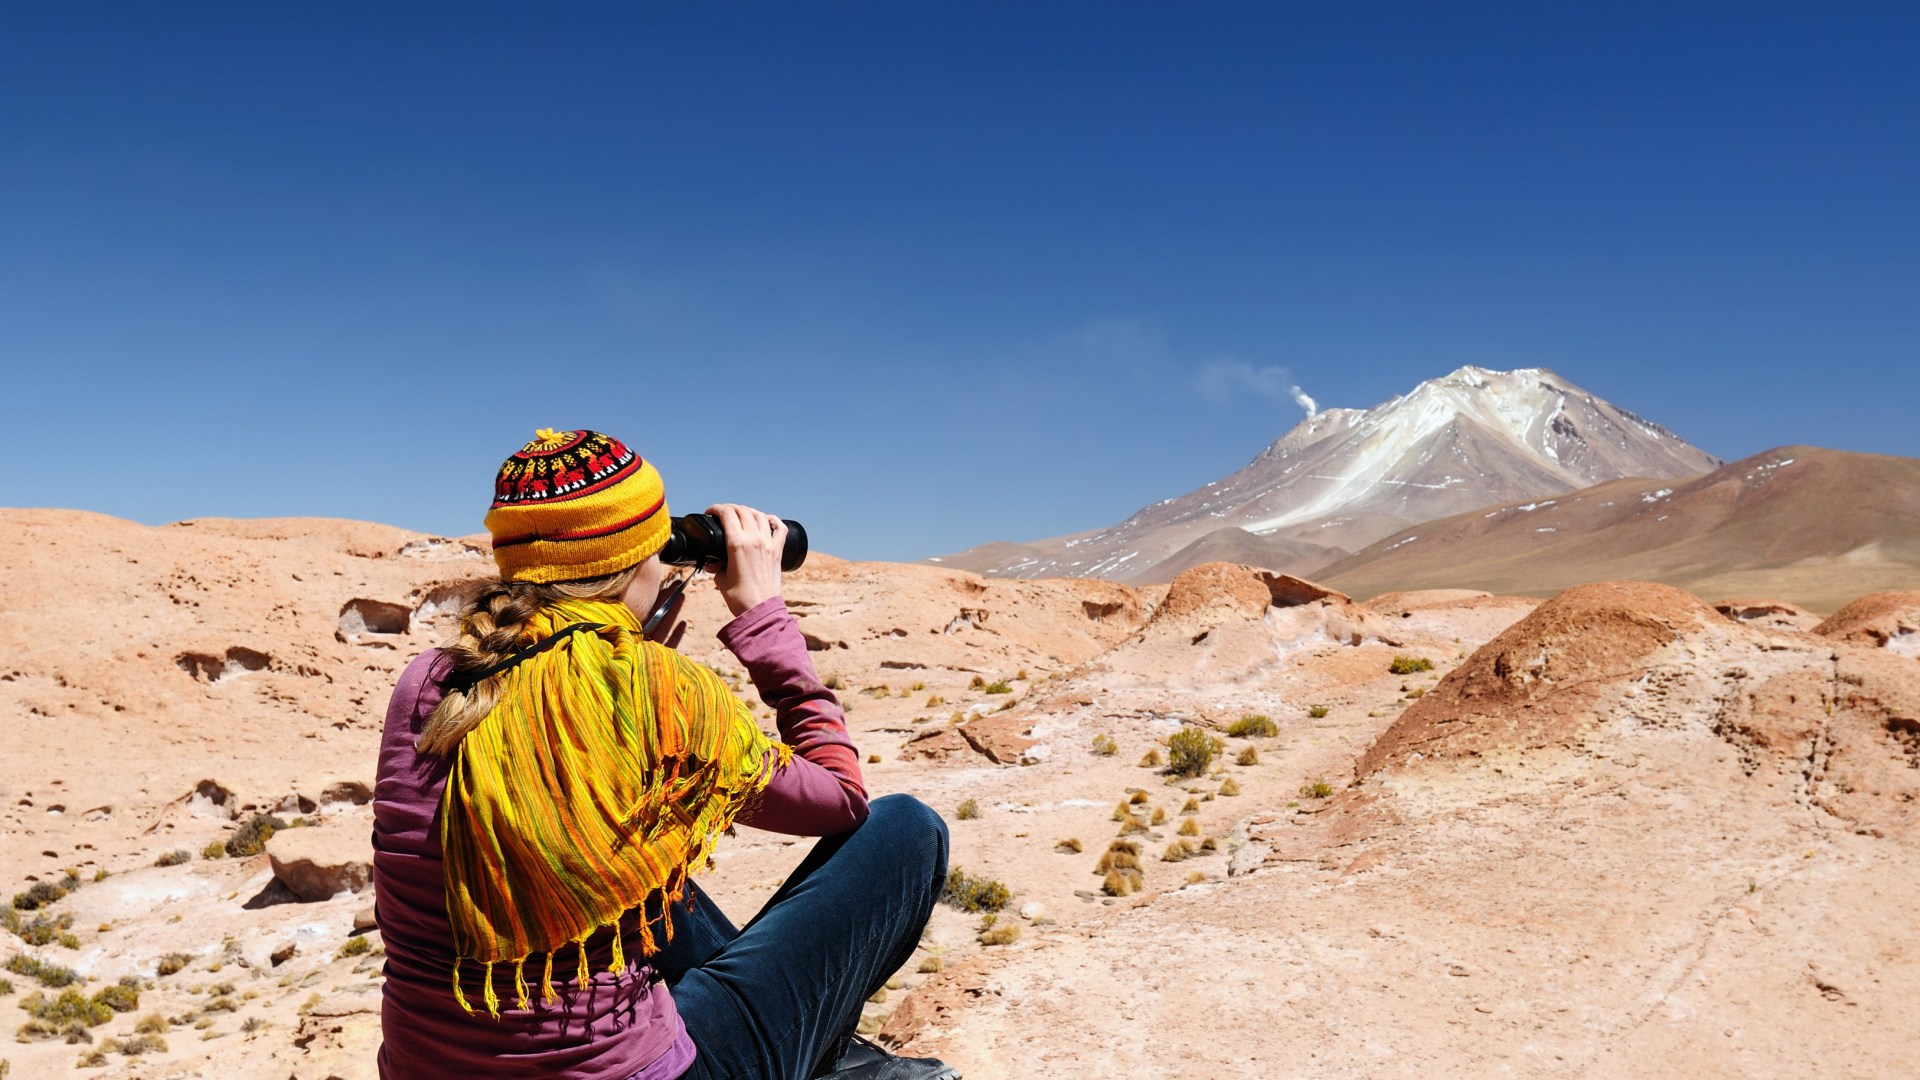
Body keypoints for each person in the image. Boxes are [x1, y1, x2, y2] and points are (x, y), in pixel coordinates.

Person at [373, 428, 958, 1080]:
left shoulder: (428, 681)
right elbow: (842, 798)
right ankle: (823, 1060)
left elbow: (559, 728)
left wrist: (628, 657)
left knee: (646, 876)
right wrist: (763, 615)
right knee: (905, 828)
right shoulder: (655, 690)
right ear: (644, 559)